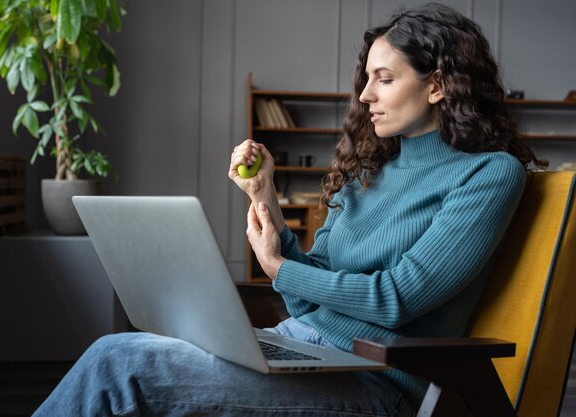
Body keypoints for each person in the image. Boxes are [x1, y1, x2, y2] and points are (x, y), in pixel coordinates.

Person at [33, 3, 547, 416]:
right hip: (302, 349)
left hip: (375, 382)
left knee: (117, 363)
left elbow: (396, 301)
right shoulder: (373, 169)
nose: (365, 94)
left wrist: (278, 268)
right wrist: (266, 203)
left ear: (437, 85)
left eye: (384, 79)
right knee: (126, 352)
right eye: (366, 78)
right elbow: (307, 303)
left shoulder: (488, 174)